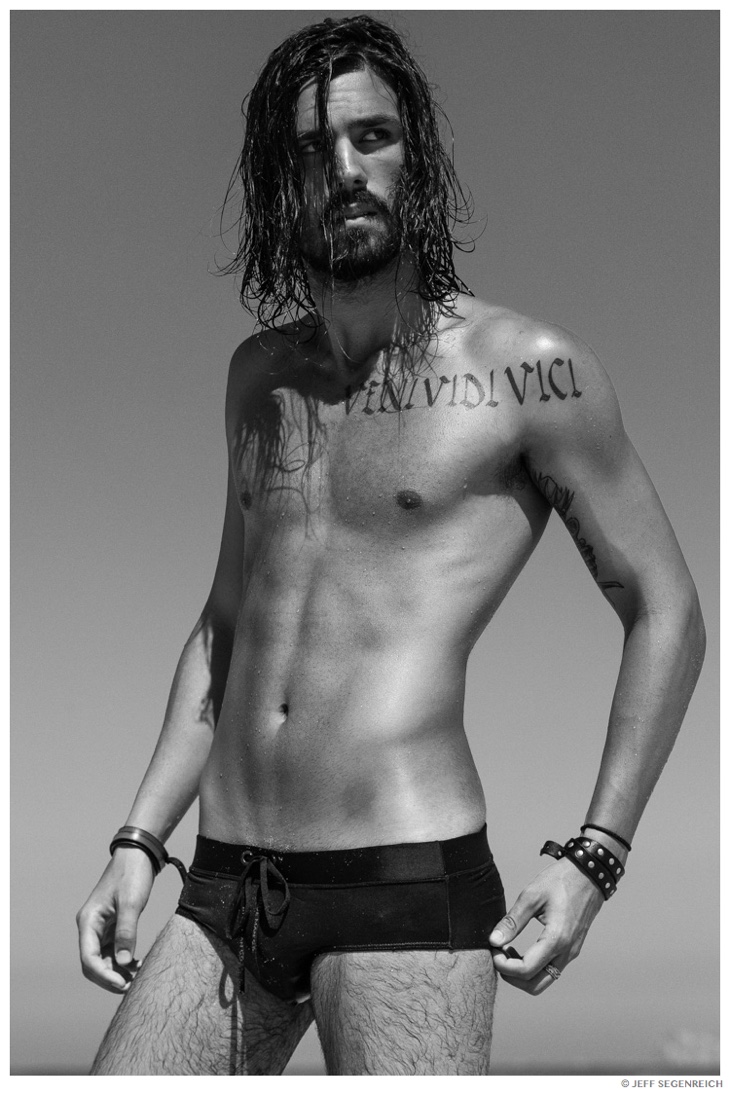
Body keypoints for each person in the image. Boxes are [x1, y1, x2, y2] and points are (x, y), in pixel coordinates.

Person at [76, 14, 705, 1076]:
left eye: (371, 136)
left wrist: (596, 854)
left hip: (404, 887)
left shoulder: (527, 372)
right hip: (225, 886)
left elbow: (666, 608)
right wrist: (139, 839)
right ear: (278, 186)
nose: (344, 169)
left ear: (418, 157)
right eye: (311, 150)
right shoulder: (257, 378)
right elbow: (227, 624)